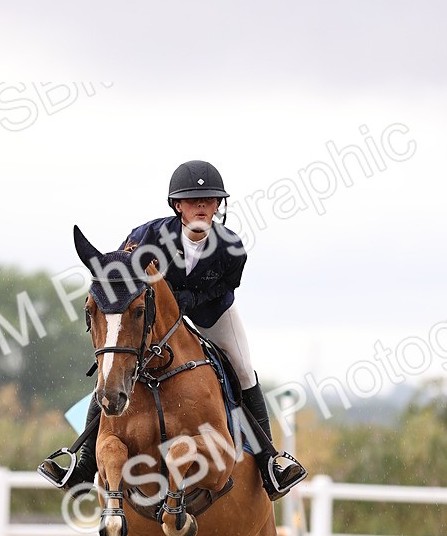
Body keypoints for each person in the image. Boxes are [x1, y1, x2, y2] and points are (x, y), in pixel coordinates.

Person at [38, 159, 306, 499]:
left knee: (242, 369)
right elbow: (120, 279)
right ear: (177, 205)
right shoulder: (146, 237)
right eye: (194, 201)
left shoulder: (231, 247)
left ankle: (271, 462)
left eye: (208, 200)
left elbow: (227, 285)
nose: (201, 207)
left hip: (211, 312)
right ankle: (83, 462)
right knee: (114, 368)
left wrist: (189, 298)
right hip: (155, 316)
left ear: (218, 206)